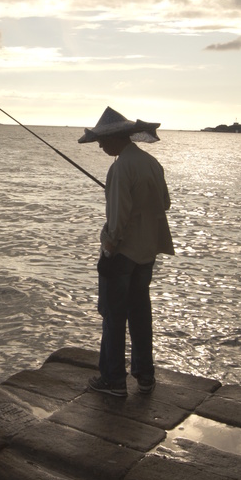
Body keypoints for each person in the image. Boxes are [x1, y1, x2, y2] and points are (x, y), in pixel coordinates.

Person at [78, 106, 174, 397]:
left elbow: (117, 221)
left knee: (113, 314)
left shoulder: (120, 168)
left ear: (117, 137)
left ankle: (113, 380)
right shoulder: (151, 163)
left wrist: (108, 245)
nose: (100, 145)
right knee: (140, 313)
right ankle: (145, 376)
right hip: (147, 252)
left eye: (102, 140)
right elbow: (165, 203)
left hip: (122, 255)